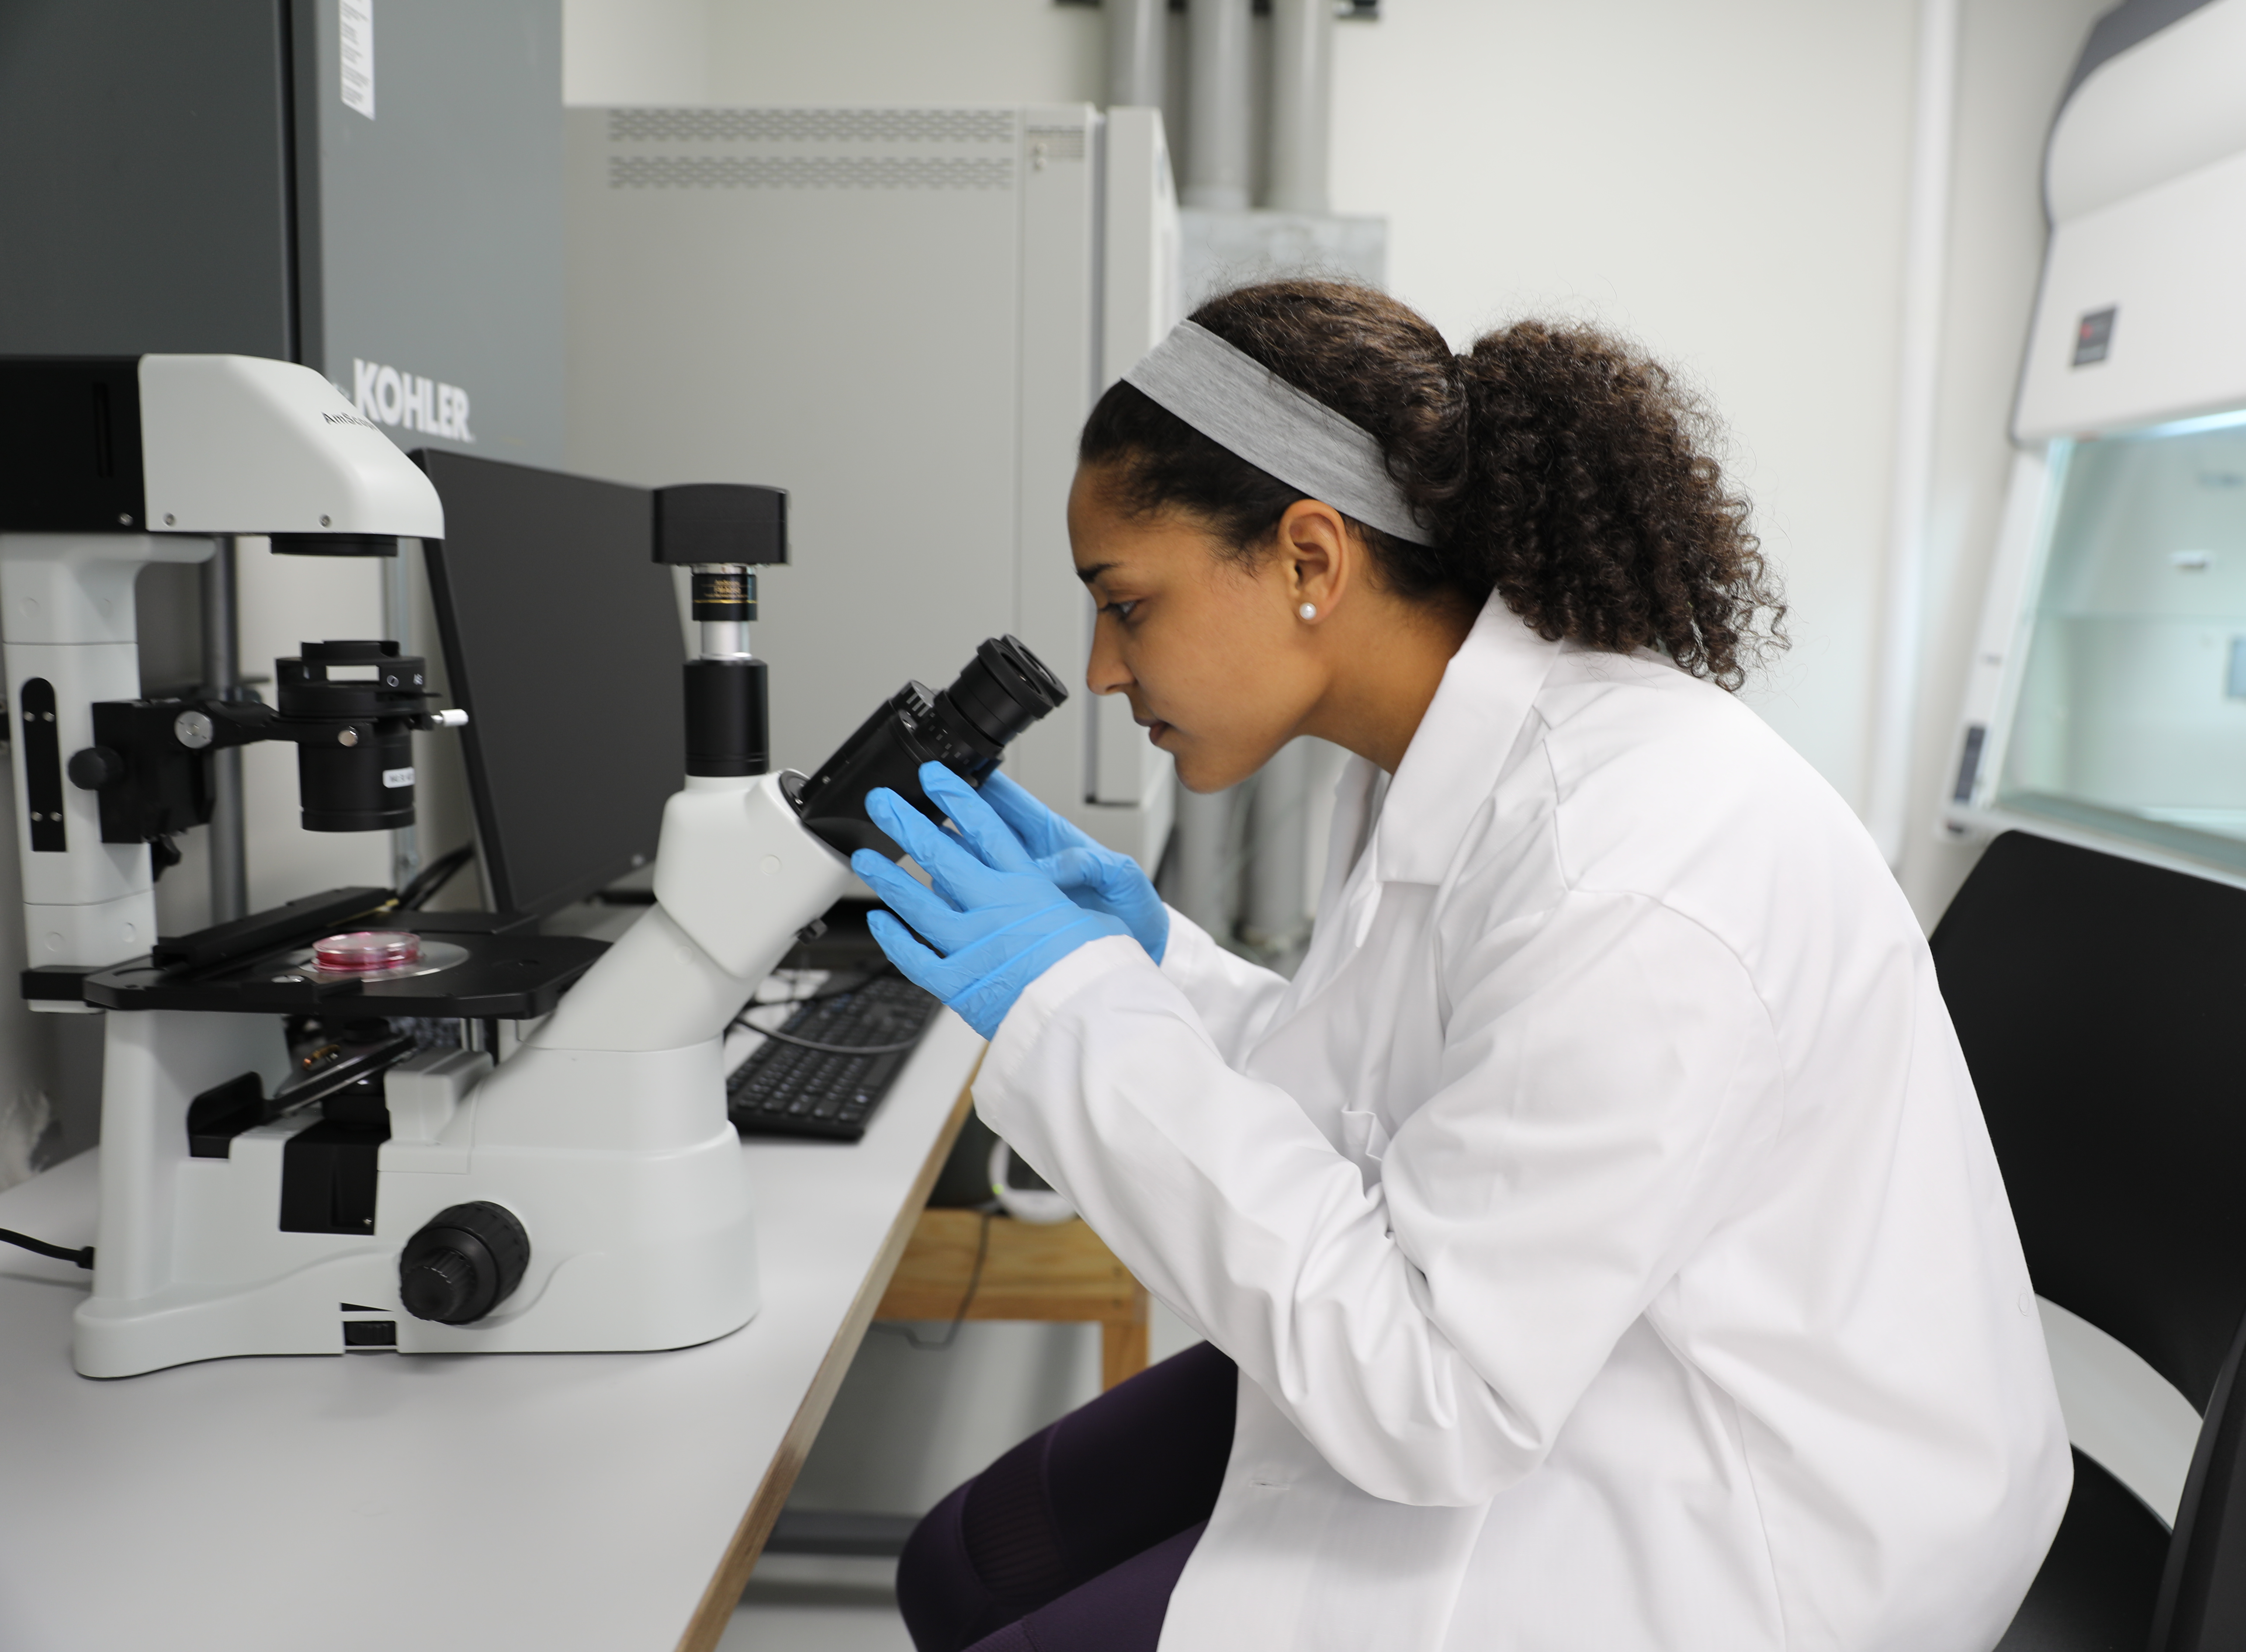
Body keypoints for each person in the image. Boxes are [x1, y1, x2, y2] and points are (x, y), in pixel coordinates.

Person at [846, 280, 2070, 1652]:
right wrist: (1155, 969)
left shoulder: (1634, 863)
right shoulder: (1432, 759)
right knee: (964, 1562)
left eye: (1127, 604)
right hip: (1559, 1340)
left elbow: (1437, 1396)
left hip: (1748, 1522)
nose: (1104, 671)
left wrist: (1075, 1014)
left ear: (1312, 559)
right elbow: (1391, 1114)